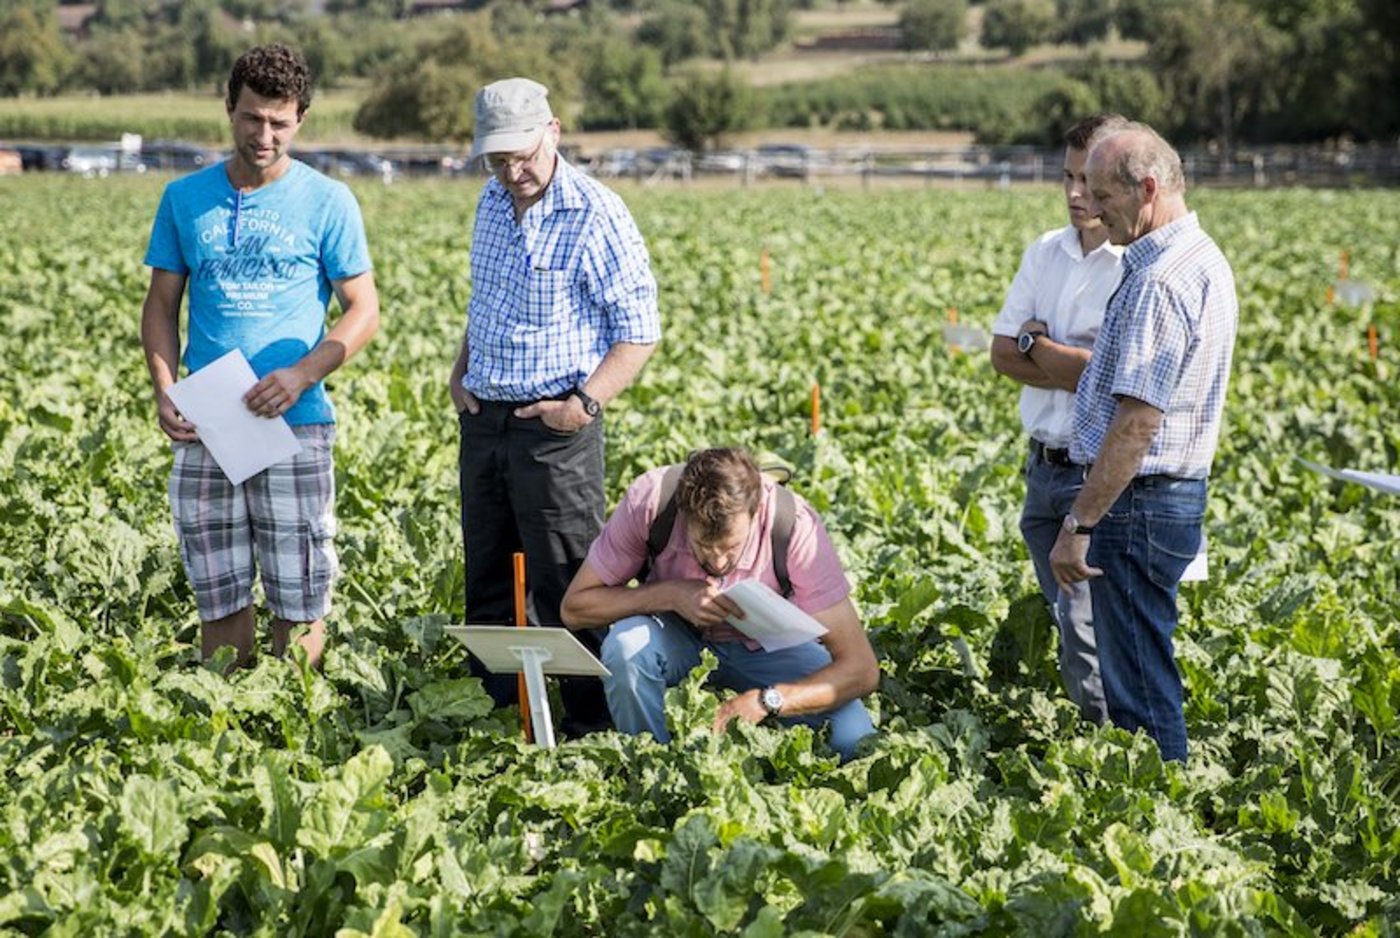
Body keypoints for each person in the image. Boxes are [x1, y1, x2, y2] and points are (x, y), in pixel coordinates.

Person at [140, 43, 380, 669]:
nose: (264, 134)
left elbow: (364, 312)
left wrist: (303, 374)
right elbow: (161, 304)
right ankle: (231, 727)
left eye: (279, 120)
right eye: (252, 117)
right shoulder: (185, 198)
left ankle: (290, 731)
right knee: (217, 590)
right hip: (207, 423)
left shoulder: (329, 202)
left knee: (299, 594)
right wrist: (164, 385)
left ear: (301, 117)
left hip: (295, 424)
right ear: (229, 109)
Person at [449, 77, 660, 736]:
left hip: (555, 430)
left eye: (523, 156)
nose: (513, 173)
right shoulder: (490, 201)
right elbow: (487, 302)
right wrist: (461, 374)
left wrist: (584, 406)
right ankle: (499, 716)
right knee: (487, 578)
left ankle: (588, 727)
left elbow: (640, 330)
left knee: (569, 584)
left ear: (554, 131)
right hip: (485, 422)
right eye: (497, 159)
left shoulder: (596, 211)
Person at [1049, 123, 1238, 762]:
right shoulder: (1200, 256)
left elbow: (1136, 423)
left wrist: (1080, 521)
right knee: (1142, 660)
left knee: (1137, 681)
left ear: (1149, 188)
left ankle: (1162, 806)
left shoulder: (1160, 281)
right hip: (1166, 498)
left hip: (1139, 505)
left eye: (1104, 194)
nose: (1092, 208)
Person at [560, 448, 879, 761]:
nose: (717, 560)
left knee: (854, 738)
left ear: (756, 513)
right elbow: (574, 609)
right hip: (675, 635)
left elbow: (862, 669)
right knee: (626, 647)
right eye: (703, 545)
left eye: (731, 547)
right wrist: (670, 594)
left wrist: (768, 701)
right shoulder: (651, 501)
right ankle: (650, 764)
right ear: (684, 514)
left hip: (767, 647)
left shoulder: (795, 525)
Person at [989, 113, 1128, 723]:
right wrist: (1065, 360)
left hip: (1091, 472)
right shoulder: (1045, 252)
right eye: (1067, 177)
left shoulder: (1132, 264)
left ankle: (1111, 753)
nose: (1075, 194)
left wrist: (1036, 346)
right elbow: (999, 353)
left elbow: (1113, 379)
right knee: (1069, 621)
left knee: (1087, 632)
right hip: (1041, 468)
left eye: (1088, 182)